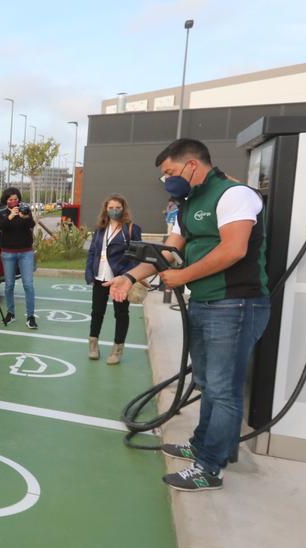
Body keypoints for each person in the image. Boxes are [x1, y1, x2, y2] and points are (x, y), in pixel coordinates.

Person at [108, 138, 270, 492]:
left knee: (224, 388)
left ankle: (210, 467)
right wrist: (129, 276)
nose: (166, 180)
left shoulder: (233, 195)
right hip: (207, 301)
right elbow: (169, 252)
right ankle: (203, 445)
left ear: (191, 165)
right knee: (208, 381)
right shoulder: (188, 203)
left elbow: (234, 249)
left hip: (236, 302)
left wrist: (183, 277)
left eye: (169, 172)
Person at [84, 194, 142, 365]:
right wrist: (89, 272)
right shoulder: (100, 229)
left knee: (121, 313)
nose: (114, 211)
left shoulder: (131, 228)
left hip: (120, 279)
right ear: (105, 209)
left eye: (118, 207)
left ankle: (117, 350)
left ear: (123, 209)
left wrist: (126, 276)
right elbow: (93, 252)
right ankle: (93, 345)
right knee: (97, 312)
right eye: (111, 208)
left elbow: (136, 255)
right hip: (100, 277)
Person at [0, 187, 39, 329]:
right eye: (10, 199)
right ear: (6, 201)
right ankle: (10, 313)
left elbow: (31, 225)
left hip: (26, 252)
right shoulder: (1, 214)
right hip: (8, 253)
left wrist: (26, 217)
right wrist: (11, 216)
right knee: (9, 285)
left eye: (16, 199)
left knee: (28, 285)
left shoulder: (24, 210)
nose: (13, 202)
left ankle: (30, 316)